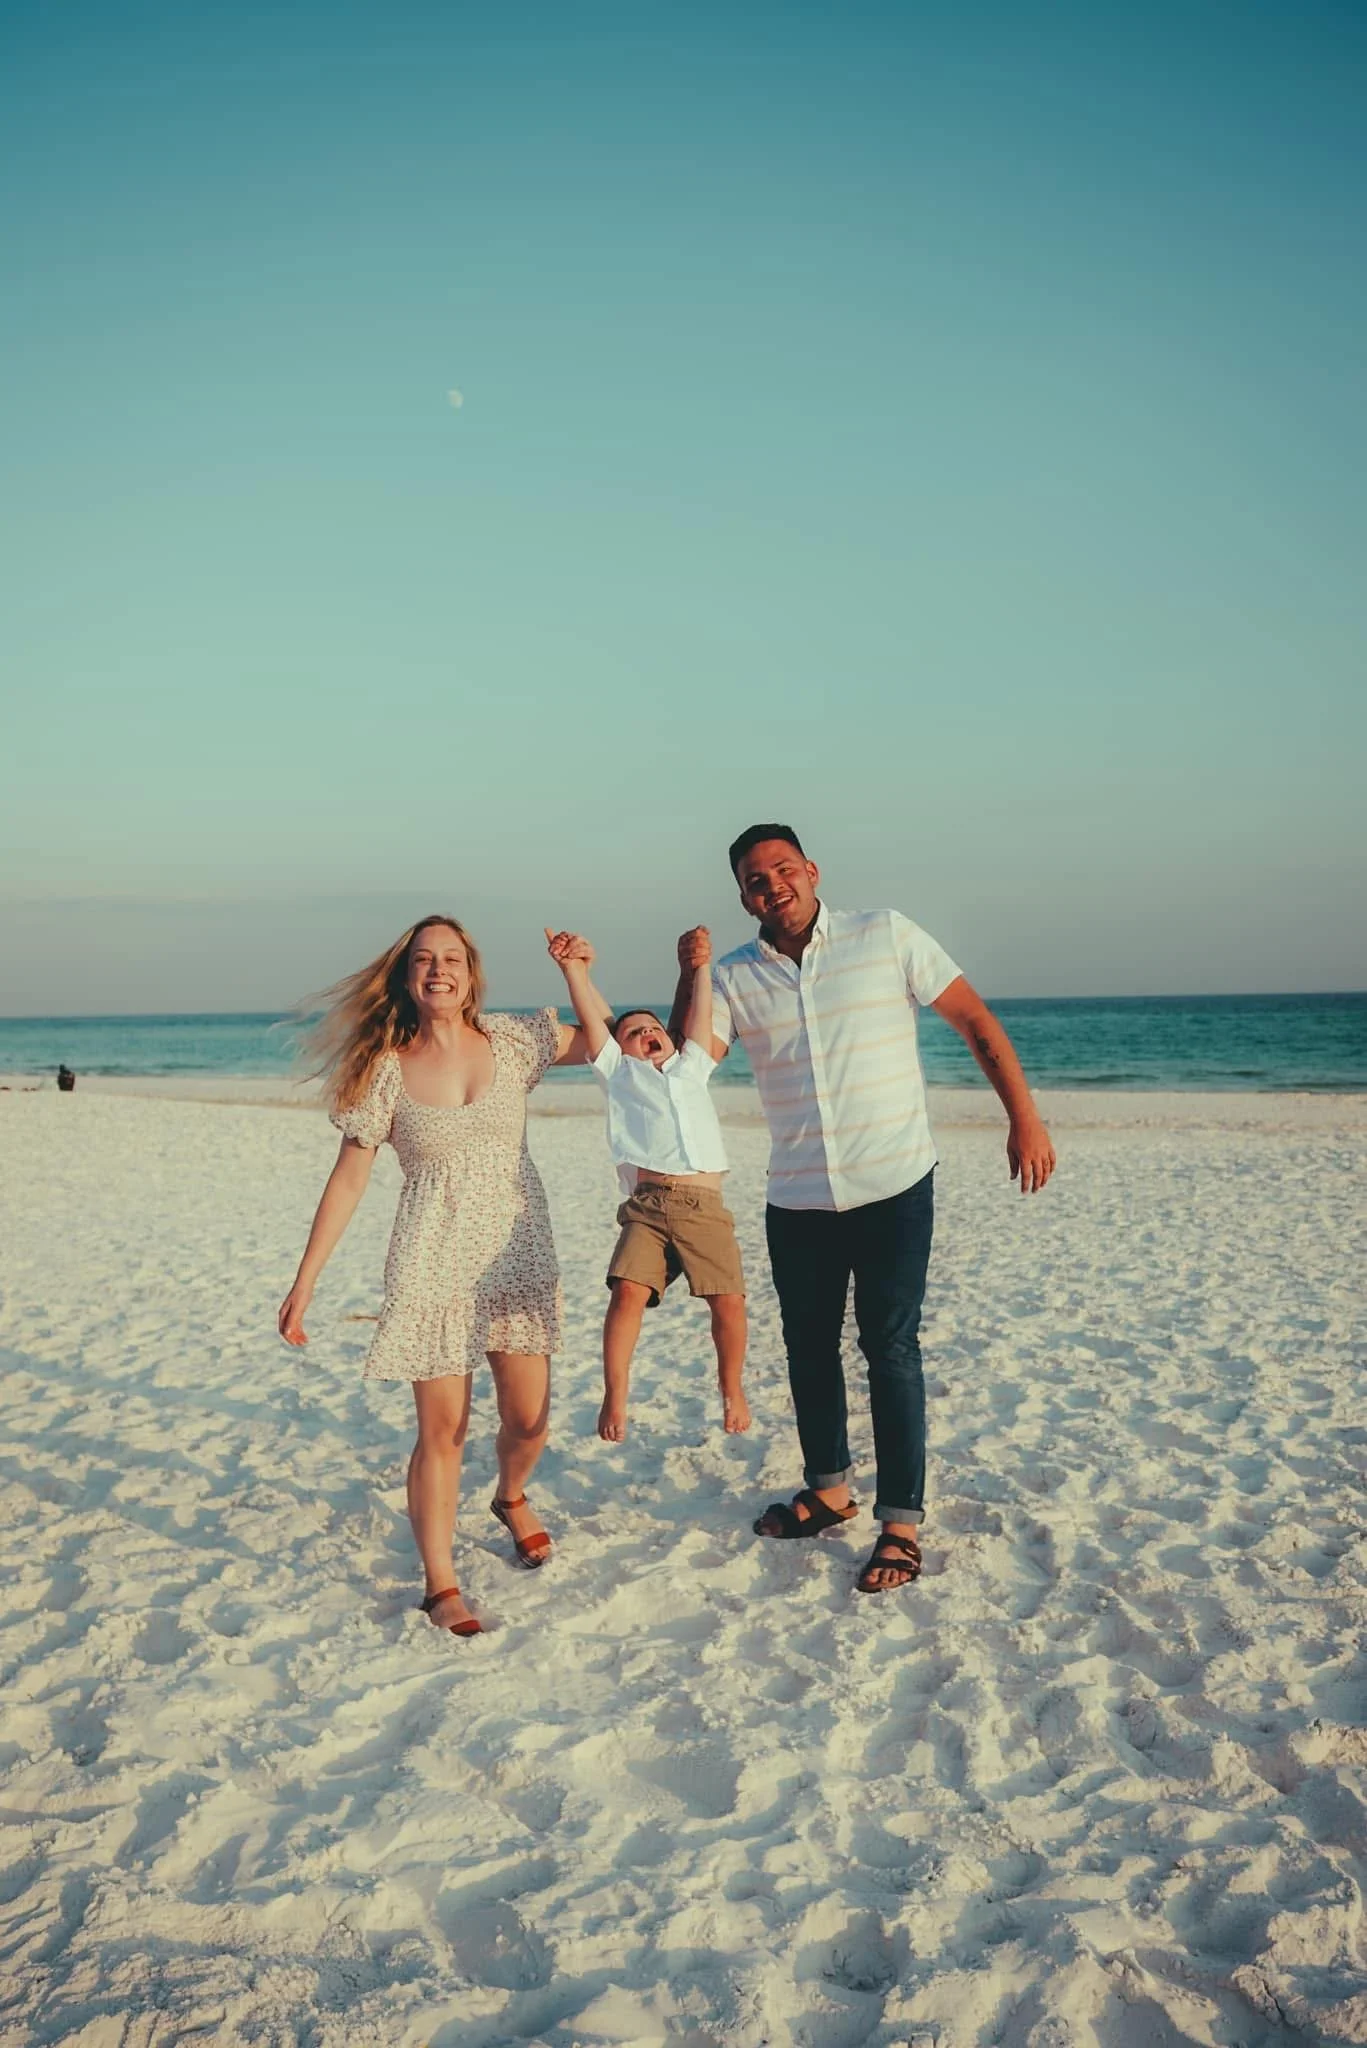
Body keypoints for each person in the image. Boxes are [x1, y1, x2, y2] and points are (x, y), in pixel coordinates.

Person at [669, 825, 1056, 1596]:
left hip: (893, 1183)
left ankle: (901, 1523)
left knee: (890, 1346)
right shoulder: (735, 977)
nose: (771, 884)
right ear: (740, 894)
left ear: (811, 871)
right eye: (753, 878)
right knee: (808, 1349)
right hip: (798, 1193)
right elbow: (686, 1068)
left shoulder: (883, 934)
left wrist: (1025, 1117)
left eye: (782, 869)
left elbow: (975, 1023)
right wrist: (692, 975)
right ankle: (830, 1491)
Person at [278, 914, 611, 1637]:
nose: (438, 968)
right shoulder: (384, 1069)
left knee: (529, 1420)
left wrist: (576, 972)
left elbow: (603, 1043)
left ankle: (512, 1496)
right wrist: (307, 1280)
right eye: (424, 959)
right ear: (406, 976)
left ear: (470, 973)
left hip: (517, 1252)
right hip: (430, 1261)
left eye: (451, 958)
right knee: (444, 1431)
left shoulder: (514, 1040)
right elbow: (348, 1179)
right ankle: (441, 1583)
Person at [547, 927, 749, 1443]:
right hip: (649, 1207)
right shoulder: (616, 1072)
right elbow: (596, 1020)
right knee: (627, 1294)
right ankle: (615, 1394)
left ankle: (732, 1389)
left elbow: (699, 1017)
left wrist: (701, 965)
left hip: (704, 1205)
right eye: (633, 1032)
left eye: (652, 1027)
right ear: (617, 1048)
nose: (645, 1034)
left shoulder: (692, 1065)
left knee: (727, 1300)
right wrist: (575, 971)